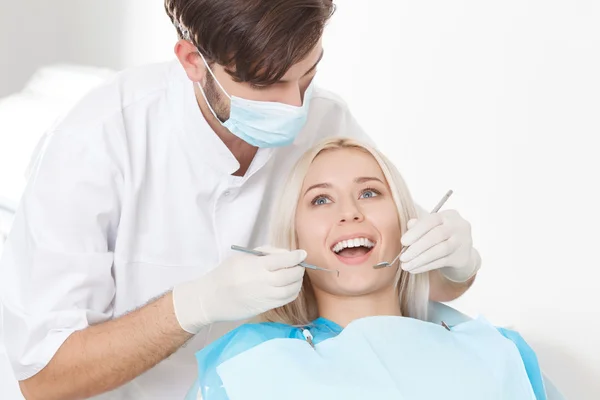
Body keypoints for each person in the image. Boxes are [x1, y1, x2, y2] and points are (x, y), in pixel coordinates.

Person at [0, 1, 480, 399]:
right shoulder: (96, 142)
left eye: (308, 75)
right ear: (193, 62)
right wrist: (191, 306)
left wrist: (455, 264)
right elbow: (46, 378)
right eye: (266, 85)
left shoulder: (326, 118)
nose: (295, 106)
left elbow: (410, 275)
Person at [187, 137, 544, 400]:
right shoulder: (244, 369)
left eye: (370, 193)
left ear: (406, 221)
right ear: (293, 238)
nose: (350, 212)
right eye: (321, 199)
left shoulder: (498, 352)